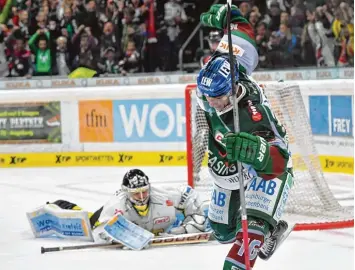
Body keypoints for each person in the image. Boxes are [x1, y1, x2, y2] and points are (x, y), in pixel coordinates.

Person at [196, 4, 293, 270]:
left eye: (219, 97)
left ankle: (263, 226)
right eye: (208, 96)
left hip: (264, 174)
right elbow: (243, 31)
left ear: (234, 87)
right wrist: (230, 16)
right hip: (228, 172)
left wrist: (257, 152)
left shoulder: (251, 115)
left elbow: (279, 162)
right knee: (222, 232)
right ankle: (269, 229)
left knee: (243, 247)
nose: (212, 102)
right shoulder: (229, 63)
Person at [49, 169, 209, 242]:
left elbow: (188, 194)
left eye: (144, 192)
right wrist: (123, 237)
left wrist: (194, 219)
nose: (141, 198)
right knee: (89, 220)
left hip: (153, 224)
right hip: (105, 216)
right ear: (126, 192)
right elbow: (99, 232)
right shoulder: (116, 206)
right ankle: (63, 205)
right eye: (135, 193)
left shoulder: (162, 195)